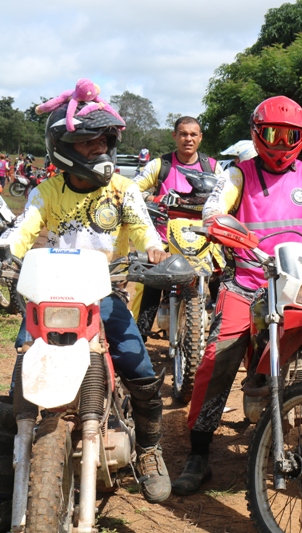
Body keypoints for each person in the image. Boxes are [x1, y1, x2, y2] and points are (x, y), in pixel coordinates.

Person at [171, 95, 302, 495]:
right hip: (248, 281)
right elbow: (214, 206)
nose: (279, 143)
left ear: (301, 137)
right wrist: (216, 223)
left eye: (289, 136)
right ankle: (200, 452)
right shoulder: (237, 174)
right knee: (217, 356)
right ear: (258, 134)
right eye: (272, 134)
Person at [0, 98, 173, 502]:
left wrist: (154, 249)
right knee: (23, 366)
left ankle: (149, 450)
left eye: (104, 141)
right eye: (89, 143)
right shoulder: (45, 191)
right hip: (50, 295)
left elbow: (144, 227)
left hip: (105, 296)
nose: (100, 149)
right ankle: (14, 461)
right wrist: (8, 252)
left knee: (138, 364)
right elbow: (24, 229)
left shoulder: (123, 190)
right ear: (63, 146)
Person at [133, 117, 223, 336]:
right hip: (166, 238)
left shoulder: (212, 167)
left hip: (204, 238)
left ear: (200, 138)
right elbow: (132, 190)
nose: (188, 139)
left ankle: (221, 335)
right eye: (183, 134)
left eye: (193, 134)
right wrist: (154, 199)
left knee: (221, 277)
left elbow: (227, 195)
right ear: (174, 136)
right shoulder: (160, 165)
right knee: (151, 281)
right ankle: (140, 335)